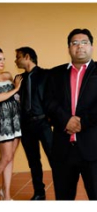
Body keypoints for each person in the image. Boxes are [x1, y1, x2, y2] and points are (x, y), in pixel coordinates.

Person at [44, 28, 97, 200]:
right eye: (74, 43)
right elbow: (48, 102)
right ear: (69, 48)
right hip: (63, 149)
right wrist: (65, 121)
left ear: (92, 46)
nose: (80, 47)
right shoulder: (55, 73)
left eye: (84, 42)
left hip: (95, 150)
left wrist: (81, 122)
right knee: (63, 198)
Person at [15, 47, 53, 200]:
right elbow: (16, 101)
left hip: (43, 124)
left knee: (54, 158)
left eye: (18, 57)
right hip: (26, 126)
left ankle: (63, 190)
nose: (15, 60)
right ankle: (39, 192)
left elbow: (53, 98)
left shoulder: (46, 75)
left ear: (27, 56)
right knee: (33, 161)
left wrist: (50, 118)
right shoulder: (19, 79)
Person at [0, 48, 22, 200]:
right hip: (3, 122)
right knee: (6, 157)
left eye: (2, 59)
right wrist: (17, 88)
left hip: (15, 119)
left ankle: (6, 195)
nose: (2, 62)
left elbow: (17, 95)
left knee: (11, 157)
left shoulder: (7, 75)